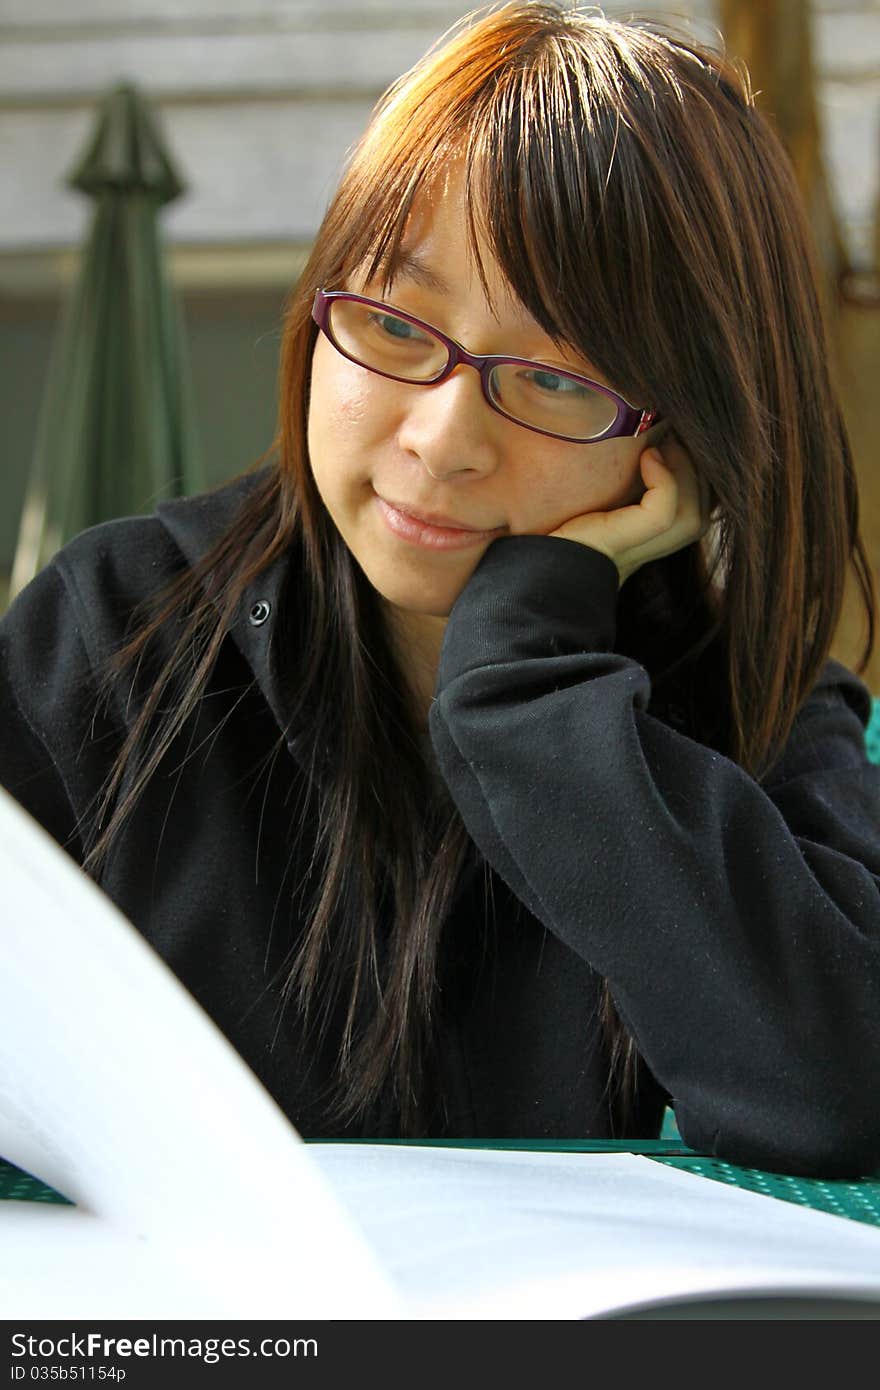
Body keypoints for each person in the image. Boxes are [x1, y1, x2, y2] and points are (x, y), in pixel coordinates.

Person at [1, 0, 878, 1178]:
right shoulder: (112, 633)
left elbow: (838, 1096)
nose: (443, 437)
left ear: (674, 446)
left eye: (557, 379)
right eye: (397, 323)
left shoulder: (757, 713)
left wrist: (524, 688)